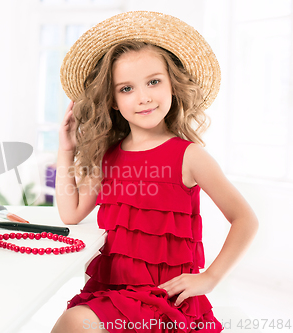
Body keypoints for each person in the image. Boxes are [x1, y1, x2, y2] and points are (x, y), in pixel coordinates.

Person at [52, 11, 259, 333]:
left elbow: (246, 219)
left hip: (164, 300)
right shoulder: (108, 155)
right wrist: (66, 149)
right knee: (73, 322)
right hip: (110, 293)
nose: (144, 97)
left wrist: (210, 278)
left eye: (153, 82)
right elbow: (71, 213)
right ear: (112, 101)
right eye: (126, 89)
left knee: (73, 323)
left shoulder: (189, 156)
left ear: (172, 86)